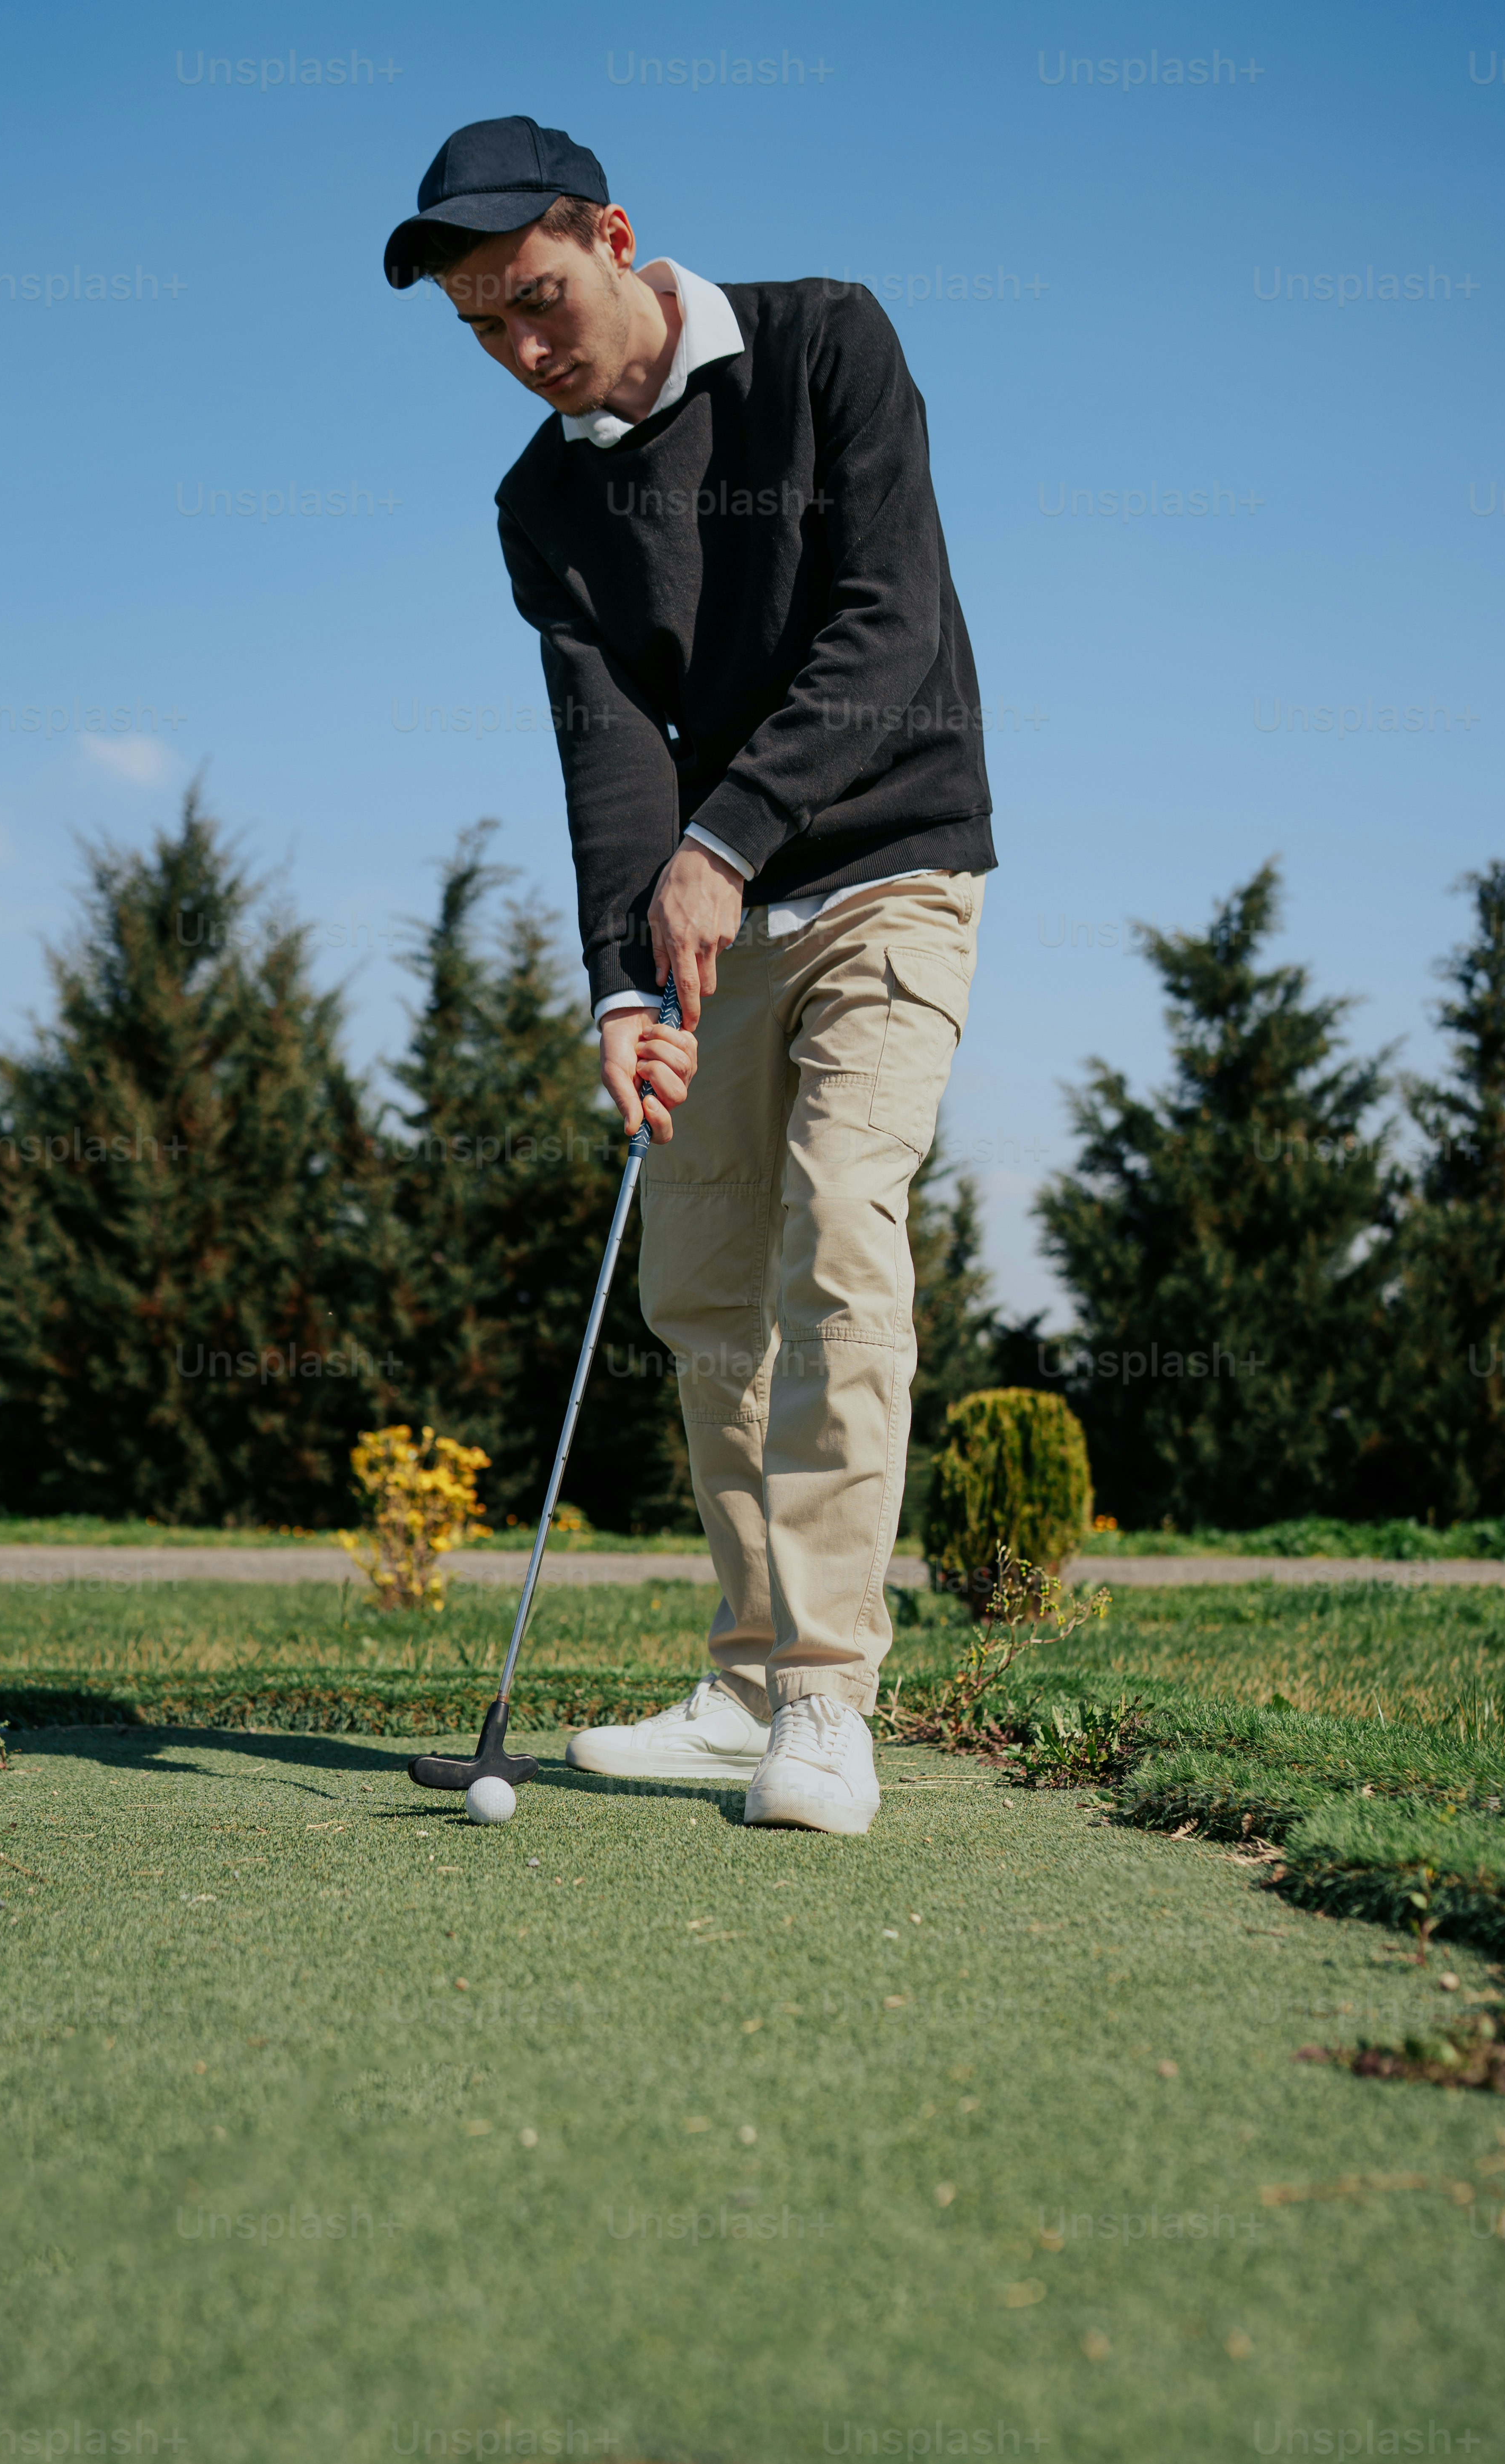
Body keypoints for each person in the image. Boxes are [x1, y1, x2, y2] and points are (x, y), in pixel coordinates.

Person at [386, 117, 993, 1835]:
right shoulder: (542, 507)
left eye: (535, 298)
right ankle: (740, 1684)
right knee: (703, 1289)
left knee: (839, 1237)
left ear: (617, 236)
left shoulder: (824, 345)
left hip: (888, 864)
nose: (519, 350)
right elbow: (606, 762)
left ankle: (824, 1704)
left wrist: (723, 844)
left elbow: (886, 624)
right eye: (480, 329)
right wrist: (619, 993)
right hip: (704, 919)